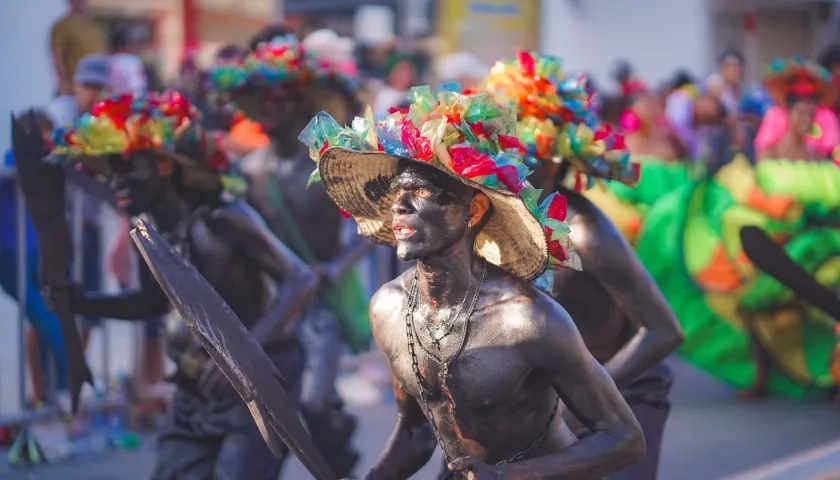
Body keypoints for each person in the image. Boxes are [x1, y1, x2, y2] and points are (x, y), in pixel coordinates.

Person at [301, 86, 645, 480]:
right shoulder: (389, 308)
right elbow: (416, 431)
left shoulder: (528, 319)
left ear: (474, 209)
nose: (400, 204)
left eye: (422, 191)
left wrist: (509, 476)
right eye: (398, 191)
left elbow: (624, 438)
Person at [39, 91, 319, 478]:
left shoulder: (224, 216)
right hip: (196, 389)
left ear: (165, 166)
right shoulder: (149, 233)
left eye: (130, 167)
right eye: (111, 170)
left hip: (259, 383)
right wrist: (85, 303)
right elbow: (151, 303)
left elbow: (301, 280)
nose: (117, 181)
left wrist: (243, 357)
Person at [484, 50, 683, 480]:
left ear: (556, 161)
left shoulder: (587, 232)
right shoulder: (491, 219)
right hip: (551, 396)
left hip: (625, 389)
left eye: (529, 159)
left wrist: (590, 404)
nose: (516, 171)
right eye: (506, 157)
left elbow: (664, 331)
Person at [208, 32, 372, 476]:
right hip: (272, 302)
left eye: (282, 98)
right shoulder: (248, 170)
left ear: (303, 102)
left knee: (314, 404)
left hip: (317, 303)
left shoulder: (329, 165)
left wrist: (337, 267)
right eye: (261, 98)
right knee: (269, 406)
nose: (270, 108)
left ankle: (339, 460)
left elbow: (374, 225)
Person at [0, 148, 68, 405]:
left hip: (18, 250)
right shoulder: (40, 158)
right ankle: (55, 390)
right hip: (33, 247)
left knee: (44, 317)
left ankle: (65, 384)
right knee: (44, 317)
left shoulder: (18, 159)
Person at [756, 57, 839, 161]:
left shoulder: (828, 117)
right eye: (800, 112)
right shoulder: (774, 114)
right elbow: (762, 157)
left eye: (810, 114)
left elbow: (832, 157)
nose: (806, 119)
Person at [50, 0, 106, 96]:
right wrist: (63, 84)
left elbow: (104, 52)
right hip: (74, 88)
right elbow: (57, 57)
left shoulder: (97, 25)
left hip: (98, 86)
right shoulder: (61, 26)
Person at [706, 49, 746, 119]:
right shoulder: (716, 82)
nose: (735, 71)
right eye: (730, 67)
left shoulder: (737, 89)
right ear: (722, 68)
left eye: (738, 67)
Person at [108, 27, 148, 96]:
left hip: (108, 103)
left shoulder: (106, 60)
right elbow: (137, 88)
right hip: (128, 103)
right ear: (122, 45)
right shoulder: (131, 61)